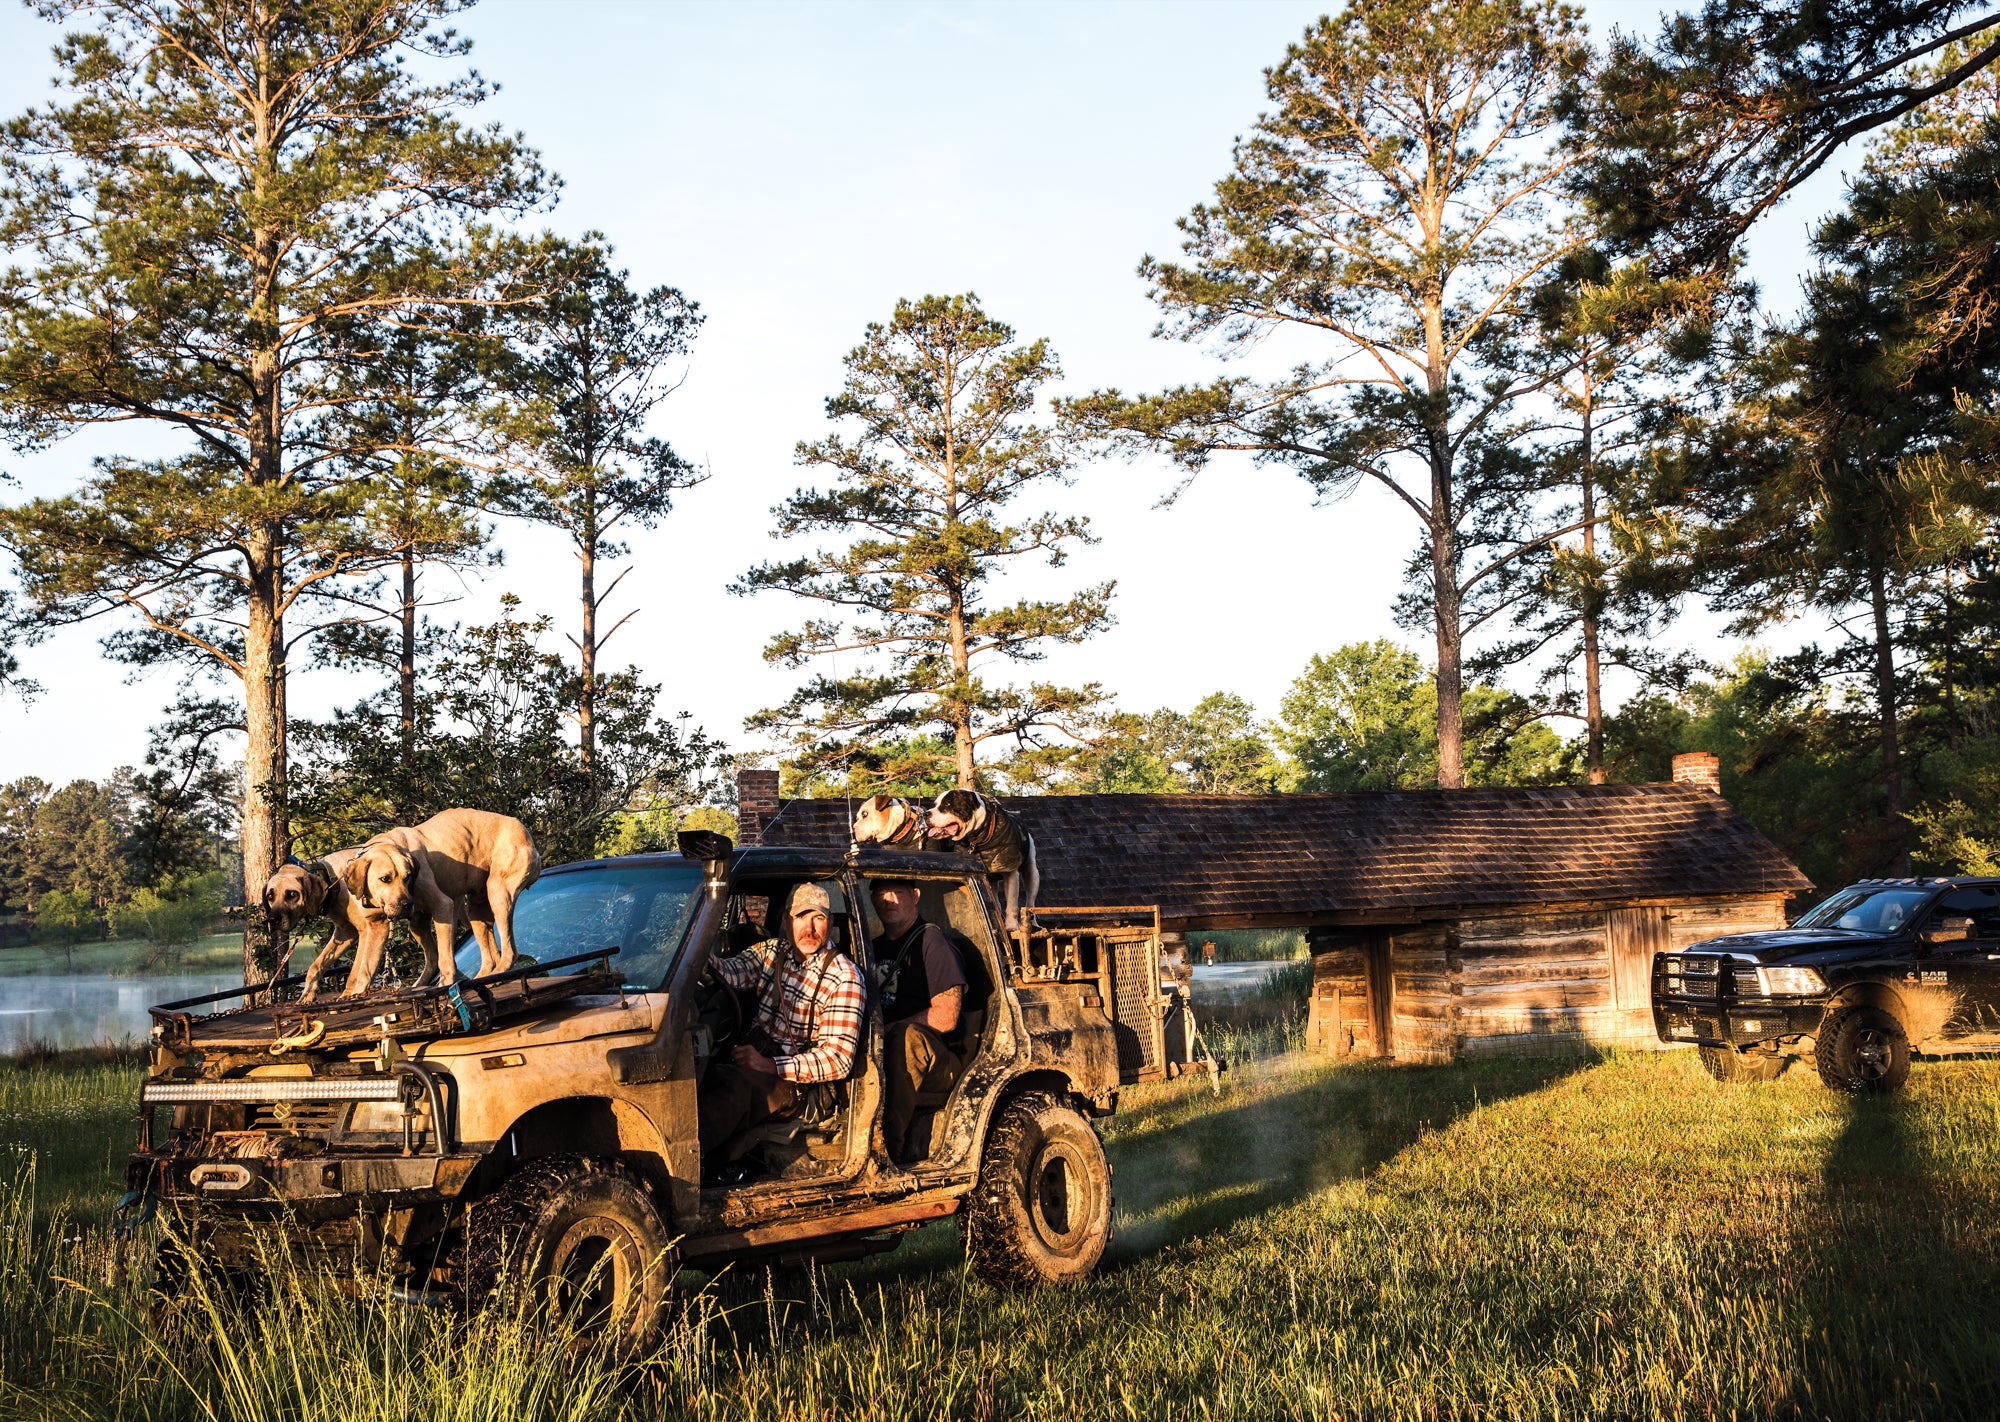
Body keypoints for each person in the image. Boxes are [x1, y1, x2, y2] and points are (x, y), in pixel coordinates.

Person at [697, 882, 865, 1174]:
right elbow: (731, 971)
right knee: (700, 1076)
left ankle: (685, 1172)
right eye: (802, 917)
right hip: (756, 1062)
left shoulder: (844, 977)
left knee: (736, 1090)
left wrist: (770, 1065)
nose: (809, 928)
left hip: (803, 1089)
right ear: (787, 921)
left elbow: (838, 1060)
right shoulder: (774, 953)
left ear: (831, 923)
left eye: (819, 918)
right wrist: (699, 961)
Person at [869, 878, 974, 1163]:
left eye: (897, 892)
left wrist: (885, 1031)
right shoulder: (872, 949)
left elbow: (947, 1016)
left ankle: (888, 1153)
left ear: (915, 896)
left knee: (907, 1039)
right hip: (884, 1050)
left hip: (939, 1060)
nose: (888, 899)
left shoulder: (932, 942)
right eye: (880, 893)